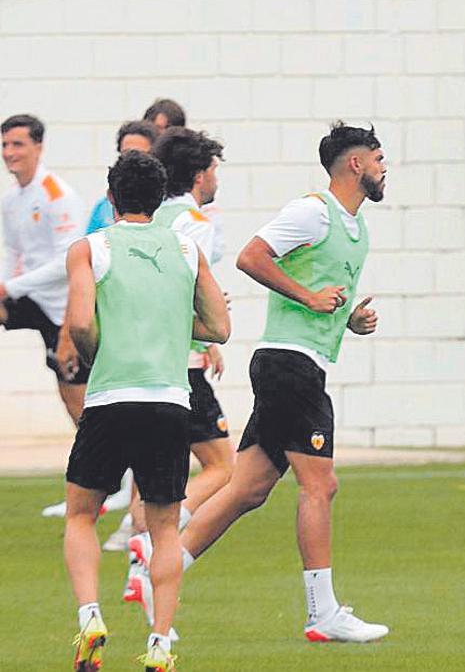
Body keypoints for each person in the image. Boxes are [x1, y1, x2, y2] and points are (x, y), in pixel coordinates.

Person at [140, 122, 387, 643]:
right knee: (320, 485)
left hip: (297, 365)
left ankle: (156, 574)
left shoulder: (356, 227)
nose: (385, 169)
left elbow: (322, 296)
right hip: (289, 365)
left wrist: (348, 320)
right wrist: (308, 297)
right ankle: (322, 613)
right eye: (379, 158)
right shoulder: (313, 211)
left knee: (246, 490)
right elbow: (253, 256)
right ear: (356, 163)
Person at [62, 149, 229, 672]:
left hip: (111, 398)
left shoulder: (89, 248)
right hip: (169, 402)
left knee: (81, 514)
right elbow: (219, 327)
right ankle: (160, 644)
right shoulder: (186, 248)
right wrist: (173, 322)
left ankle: (90, 617)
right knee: (163, 530)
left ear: (112, 197)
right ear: (159, 199)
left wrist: (98, 352)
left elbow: (80, 323)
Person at [123, 128, 234, 627]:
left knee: (151, 473)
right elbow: (183, 287)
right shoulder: (194, 224)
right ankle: (154, 542)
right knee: (223, 467)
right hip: (180, 367)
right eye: (213, 169)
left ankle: (140, 559)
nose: (216, 179)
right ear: (199, 174)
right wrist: (208, 333)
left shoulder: (151, 219)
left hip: (143, 363)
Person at [0, 114, 92, 515]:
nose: (9, 153)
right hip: (32, 299)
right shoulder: (10, 199)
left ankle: (114, 479)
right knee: (70, 397)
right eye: (5, 145)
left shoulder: (57, 194)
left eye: (17, 144)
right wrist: (6, 285)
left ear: (38, 147)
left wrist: (10, 288)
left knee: (76, 399)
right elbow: (12, 251)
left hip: (63, 309)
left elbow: (65, 263)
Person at [86, 120, 161, 235]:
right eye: (126, 153)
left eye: (141, 154)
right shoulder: (103, 207)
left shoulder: (167, 206)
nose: (132, 160)